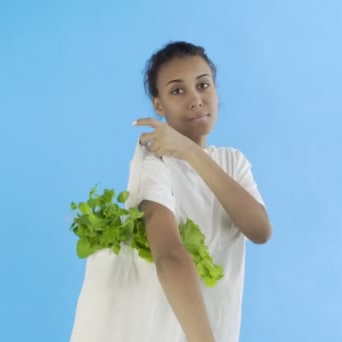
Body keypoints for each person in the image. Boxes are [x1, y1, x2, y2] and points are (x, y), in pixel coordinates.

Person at [70, 41, 272, 342]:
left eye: (203, 85)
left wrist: (193, 153)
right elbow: (169, 256)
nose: (196, 99)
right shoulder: (154, 161)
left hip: (220, 328)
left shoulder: (233, 162)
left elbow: (260, 230)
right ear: (158, 105)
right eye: (178, 91)